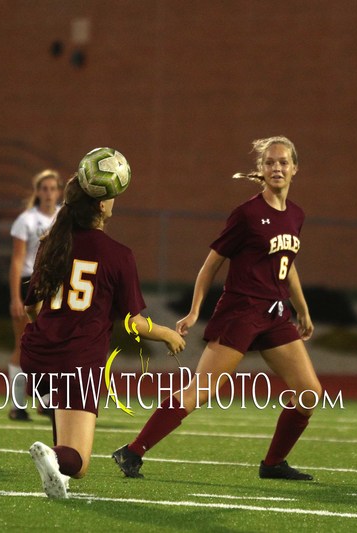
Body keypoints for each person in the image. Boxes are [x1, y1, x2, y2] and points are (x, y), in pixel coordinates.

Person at [112, 136, 321, 481]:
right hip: (241, 311)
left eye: (283, 162)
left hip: (275, 315)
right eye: (269, 162)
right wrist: (195, 311)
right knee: (202, 390)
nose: (277, 168)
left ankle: (272, 465)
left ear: (295, 168)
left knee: (310, 392)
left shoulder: (296, 214)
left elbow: (288, 262)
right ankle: (133, 451)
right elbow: (211, 265)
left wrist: (303, 309)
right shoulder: (247, 214)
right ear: (261, 169)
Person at [23, 171, 185, 499]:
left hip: (38, 353)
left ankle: (55, 467)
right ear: (99, 206)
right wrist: (168, 333)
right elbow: (136, 324)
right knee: (78, 462)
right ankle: (52, 457)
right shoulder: (117, 254)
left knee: (69, 451)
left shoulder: (52, 241)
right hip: (79, 359)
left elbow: (31, 308)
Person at [8, 169, 61, 421]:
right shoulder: (26, 220)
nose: (49, 193)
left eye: (53, 188)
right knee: (24, 343)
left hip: (55, 285)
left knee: (51, 343)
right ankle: (18, 404)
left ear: (59, 191)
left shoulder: (64, 217)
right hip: (29, 282)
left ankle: (46, 401)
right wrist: (15, 297)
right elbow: (17, 261)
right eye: (44, 188)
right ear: (37, 192)